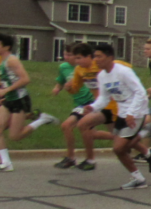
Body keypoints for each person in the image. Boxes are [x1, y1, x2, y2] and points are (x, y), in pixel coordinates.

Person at [78, 43, 151, 189]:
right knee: (122, 148)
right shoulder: (102, 76)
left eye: (99, 56)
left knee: (118, 148)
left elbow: (141, 92)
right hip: (121, 112)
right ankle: (145, 149)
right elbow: (104, 98)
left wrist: (132, 113)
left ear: (110, 57)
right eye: (95, 56)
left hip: (135, 112)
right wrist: (92, 107)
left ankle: (139, 178)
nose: (95, 60)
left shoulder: (123, 72)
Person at [0, 33, 57, 171]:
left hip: (20, 100)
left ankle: (42, 119)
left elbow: (25, 79)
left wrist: (7, 90)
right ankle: (6, 162)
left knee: (15, 136)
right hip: (8, 100)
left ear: (6, 46)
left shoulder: (11, 60)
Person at [52, 42, 100, 169]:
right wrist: (59, 88)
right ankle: (127, 139)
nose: (68, 57)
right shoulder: (64, 67)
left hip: (90, 102)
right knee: (91, 133)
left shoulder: (89, 67)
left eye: (71, 55)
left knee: (68, 125)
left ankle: (74, 158)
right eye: (65, 54)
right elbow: (61, 81)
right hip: (79, 103)